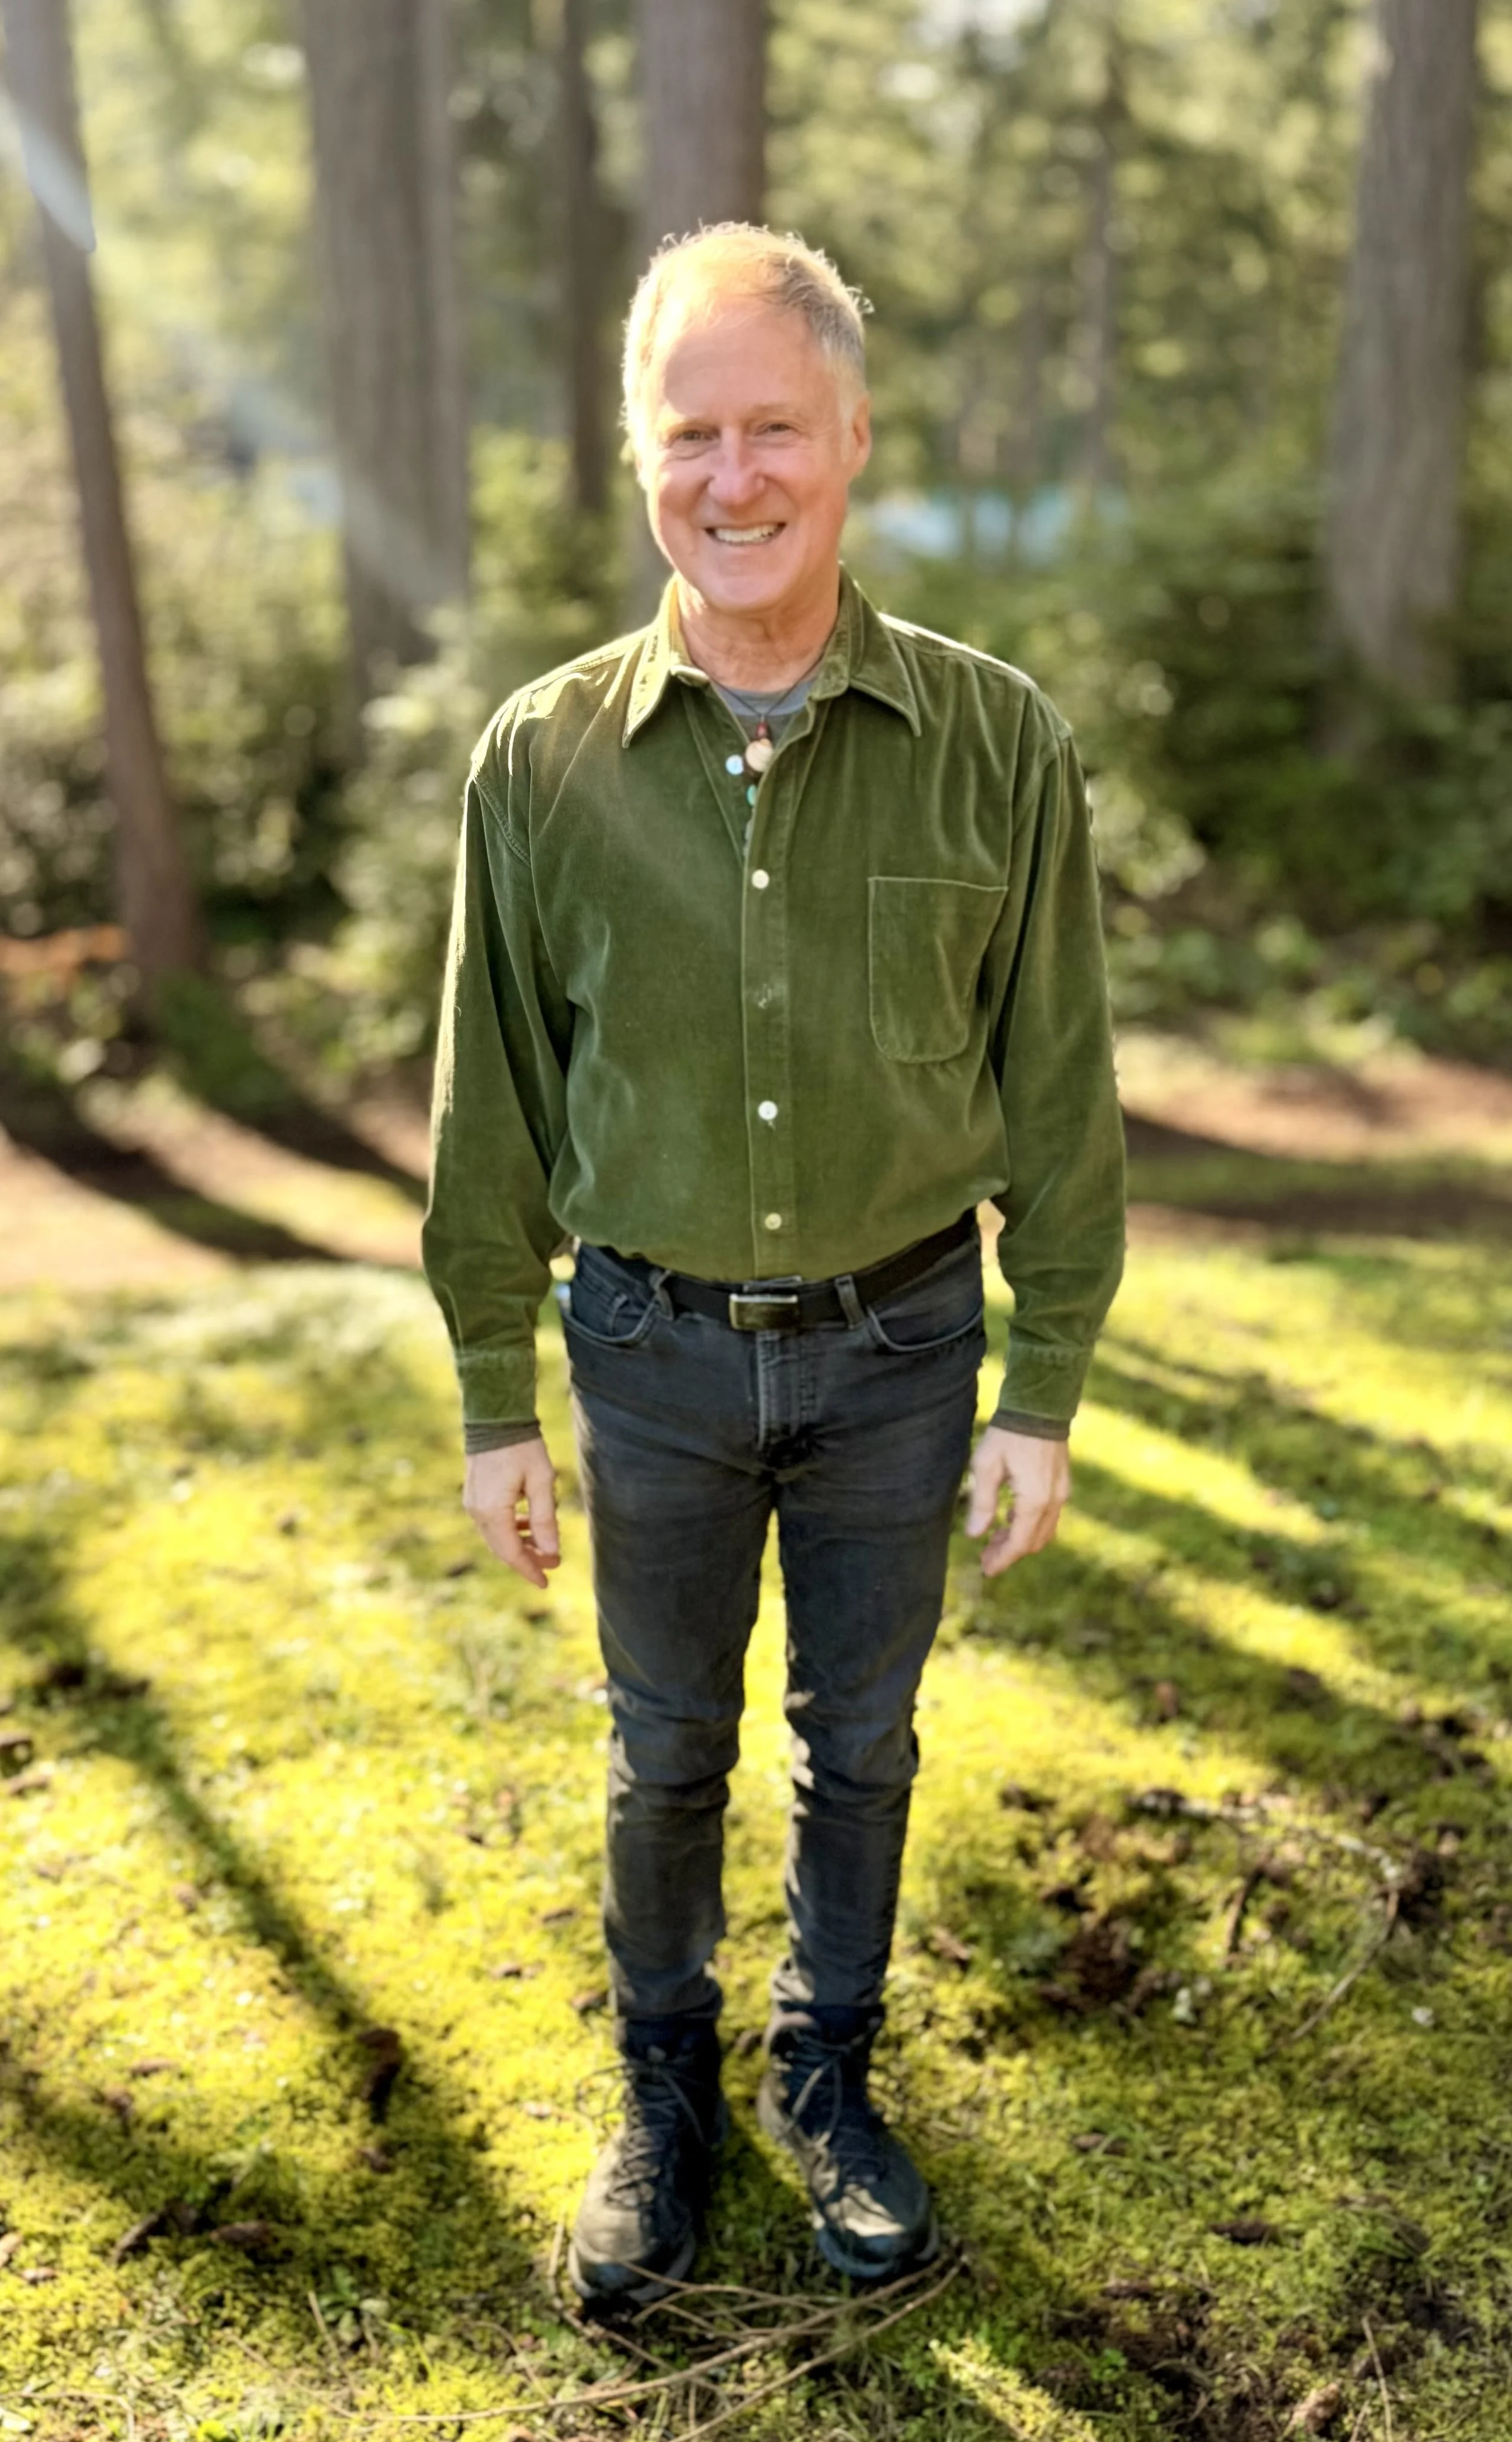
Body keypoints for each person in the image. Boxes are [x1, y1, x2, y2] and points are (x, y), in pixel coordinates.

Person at [422, 223, 1125, 2310]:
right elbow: (493, 1113)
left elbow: (1065, 1091)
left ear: (851, 442)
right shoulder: (539, 759)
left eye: (773, 432)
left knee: (866, 1741)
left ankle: (824, 2074)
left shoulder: (996, 743)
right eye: (688, 433)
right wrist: (491, 1394)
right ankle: (662, 2094)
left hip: (904, 1346)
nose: (731, 480)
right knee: (662, 1750)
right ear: (638, 453)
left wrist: (1044, 1386)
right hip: (637, 1348)